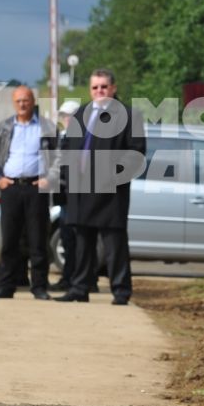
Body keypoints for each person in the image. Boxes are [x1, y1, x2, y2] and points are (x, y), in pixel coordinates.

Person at [56, 68, 145, 305]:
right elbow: (67, 148)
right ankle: (79, 288)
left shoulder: (128, 115)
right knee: (82, 244)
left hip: (110, 192)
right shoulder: (81, 114)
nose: (99, 91)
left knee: (114, 245)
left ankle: (121, 291)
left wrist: (111, 174)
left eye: (104, 87)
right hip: (80, 190)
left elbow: (136, 153)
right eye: (95, 87)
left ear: (113, 88)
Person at [0, 85, 53, 300]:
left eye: (26, 100)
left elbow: (60, 157)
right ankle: (6, 285)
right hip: (11, 189)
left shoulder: (46, 127)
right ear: (14, 103)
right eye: (18, 101)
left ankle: (39, 287)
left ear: (33, 101)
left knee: (37, 240)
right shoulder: (5, 127)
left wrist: (49, 179)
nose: (23, 104)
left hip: (36, 188)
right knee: (9, 240)